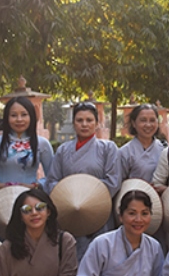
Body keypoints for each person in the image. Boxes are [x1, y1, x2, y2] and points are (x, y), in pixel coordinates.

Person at [46, 102, 121, 256]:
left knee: (99, 257)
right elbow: (52, 181)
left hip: (98, 213)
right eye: (79, 120)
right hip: (69, 212)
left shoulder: (108, 148)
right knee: (69, 256)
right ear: (73, 123)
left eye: (89, 120)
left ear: (97, 123)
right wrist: (68, 198)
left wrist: (88, 197)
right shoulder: (63, 150)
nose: (84, 124)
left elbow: (113, 181)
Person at [0, 96, 54, 193]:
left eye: (24, 115)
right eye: (14, 115)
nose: (19, 119)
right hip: (2, 197)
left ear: (31, 116)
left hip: (30, 197)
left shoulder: (42, 144)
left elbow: (52, 177)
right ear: (7, 117)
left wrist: (35, 186)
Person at [118, 104, 165, 183]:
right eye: (143, 120)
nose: (148, 125)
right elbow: (119, 182)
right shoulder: (125, 152)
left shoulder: (164, 149)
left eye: (152, 120)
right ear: (133, 123)